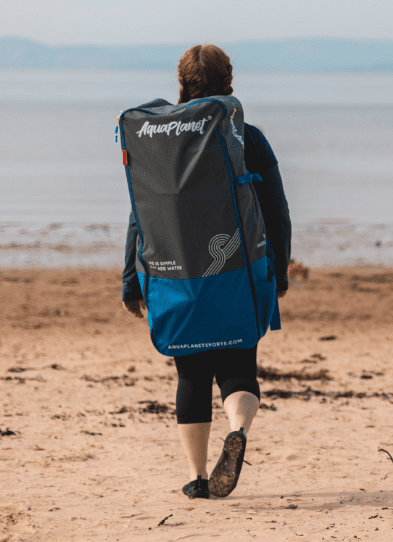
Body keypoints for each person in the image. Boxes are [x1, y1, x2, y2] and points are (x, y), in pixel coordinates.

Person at [121, 44, 292, 500]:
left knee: (191, 375)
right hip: (238, 273)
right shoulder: (246, 137)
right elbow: (276, 212)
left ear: (181, 83)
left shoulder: (155, 141)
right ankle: (237, 429)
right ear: (229, 81)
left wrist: (130, 281)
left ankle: (197, 478)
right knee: (238, 366)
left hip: (175, 279)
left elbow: (141, 217)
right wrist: (278, 274)